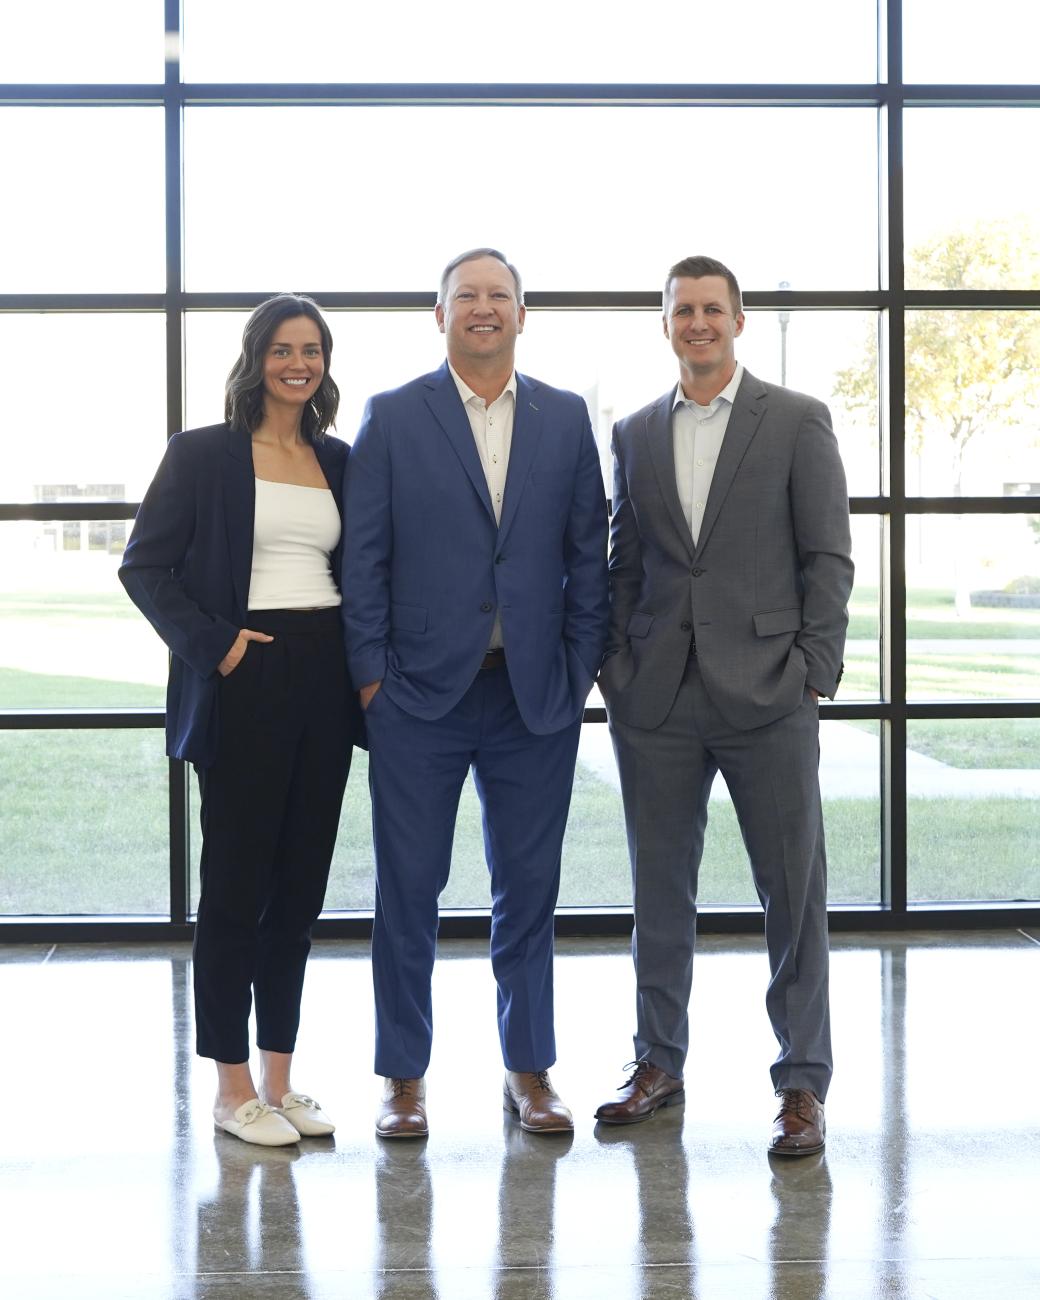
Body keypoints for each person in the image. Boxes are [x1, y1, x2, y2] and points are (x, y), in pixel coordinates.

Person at [342, 248, 608, 1138]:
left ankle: (529, 1071)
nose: (483, 308)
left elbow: (588, 557)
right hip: (417, 697)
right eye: (467, 296)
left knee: (528, 889)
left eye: (499, 295)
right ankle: (403, 1078)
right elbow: (365, 559)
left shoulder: (565, 418)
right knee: (408, 890)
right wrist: (373, 677)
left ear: (522, 314)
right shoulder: (393, 415)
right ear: (441, 314)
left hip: (534, 699)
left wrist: (576, 670)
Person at [595, 256, 853, 1156]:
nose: (698, 322)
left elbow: (828, 555)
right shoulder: (633, 431)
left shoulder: (796, 420)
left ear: (737, 321)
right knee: (658, 890)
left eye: (713, 308)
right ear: (665, 323)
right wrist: (615, 667)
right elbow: (624, 563)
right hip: (656, 698)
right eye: (683, 310)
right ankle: (657, 1063)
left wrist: (814, 667)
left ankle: (801, 1082)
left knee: (793, 893)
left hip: (770, 691)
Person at [120, 294, 363, 1146]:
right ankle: (231, 1089)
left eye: (312, 350)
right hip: (244, 671)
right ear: (256, 358)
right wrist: (218, 646)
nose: (298, 363)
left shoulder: (338, 459)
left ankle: (280, 1081)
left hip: (325, 674)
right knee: (234, 889)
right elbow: (144, 567)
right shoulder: (200, 455)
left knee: (298, 892)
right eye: (282, 349)